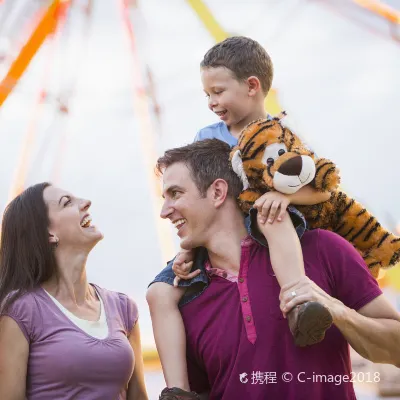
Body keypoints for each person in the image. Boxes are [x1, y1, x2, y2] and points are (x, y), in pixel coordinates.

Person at [147, 36, 331, 399]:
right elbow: (201, 199)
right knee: (158, 292)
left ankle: (298, 301)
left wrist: (282, 194)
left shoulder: (283, 137)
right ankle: (178, 390)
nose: (212, 102)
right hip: (218, 234)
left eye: (217, 92)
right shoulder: (207, 138)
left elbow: (322, 188)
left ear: (251, 87)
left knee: (270, 215)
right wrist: (189, 249)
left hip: (268, 222)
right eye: (207, 95)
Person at [153, 139, 400, 399]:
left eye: (176, 194)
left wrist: (337, 311)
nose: (164, 211)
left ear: (217, 192)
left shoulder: (323, 249)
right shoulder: (185, 300)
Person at [0, 183, 148, 400]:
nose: (86, 203)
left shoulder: (123, 307)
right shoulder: (20, 310)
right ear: (48, 233)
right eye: (67, 202)